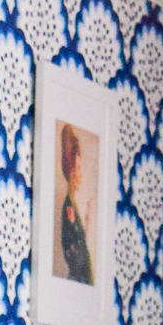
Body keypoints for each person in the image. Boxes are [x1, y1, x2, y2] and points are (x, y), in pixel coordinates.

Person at [58, 122, 93, 285]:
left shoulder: (72, 206)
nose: (80, 174)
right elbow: (75, 255)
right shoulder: (69, 208)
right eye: (78, 168)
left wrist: (86, 222)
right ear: (71, 170)